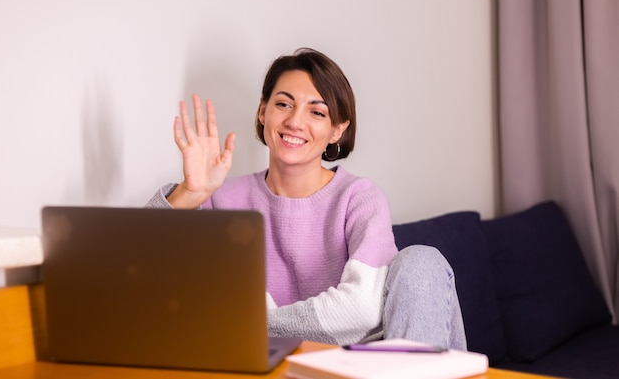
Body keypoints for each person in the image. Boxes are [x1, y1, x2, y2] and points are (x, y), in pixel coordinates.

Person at [146, 48, 467, 350]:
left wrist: (248, 326)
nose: (295, 121)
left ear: (337, 130)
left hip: (361, 365)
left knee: (421, 262)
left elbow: (360, 311)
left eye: (316, 111)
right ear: (263, 111)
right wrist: (191, 192)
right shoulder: (223, 198)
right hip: (273, 367)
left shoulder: (359, 198)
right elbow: (140, 269)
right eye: (283, 104)